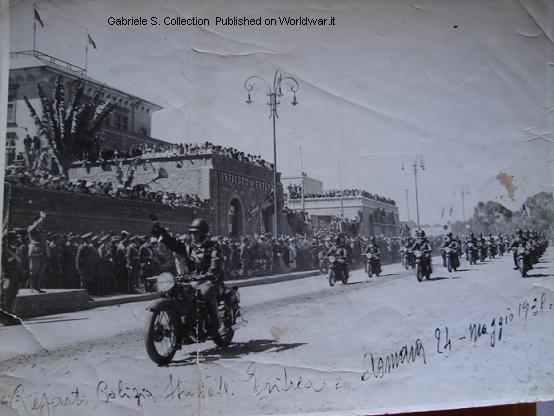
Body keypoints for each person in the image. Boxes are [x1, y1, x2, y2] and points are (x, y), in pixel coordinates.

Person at [152, 218, 223, 333]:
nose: (193, 235)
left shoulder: (214, 246)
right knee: (173, 291)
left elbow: (216, 262)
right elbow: (173, 243)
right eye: (192, 233)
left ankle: (214, 324)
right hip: (192, 279)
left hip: (210, 280)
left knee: (206, 291)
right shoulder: (188, 246)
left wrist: (208, 274)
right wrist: (160, 230)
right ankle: (180, 323)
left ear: (203, 233)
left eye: (196, 233)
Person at [27, 211, 48, 293]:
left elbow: (45, 242)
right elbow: (33, 228)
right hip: (35, 252)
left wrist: (47, 253)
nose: (42, 223)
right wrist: (41, 218)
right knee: (33, 271)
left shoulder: (41, 231)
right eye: (40, 221)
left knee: (40, 271)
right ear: (35, 221)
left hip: (42, 252)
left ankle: (37, 287)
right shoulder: (31, 228)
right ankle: (32, 288)